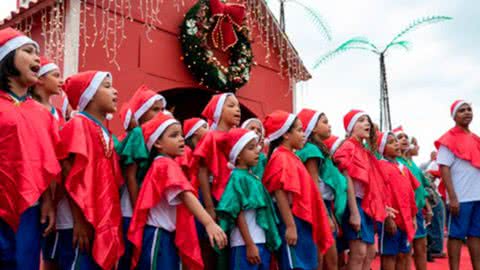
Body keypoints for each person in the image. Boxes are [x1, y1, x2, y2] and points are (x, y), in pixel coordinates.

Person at [127, 113, 227, 270]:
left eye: (181, 134)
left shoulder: (166, 163)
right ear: (158, 143)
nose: (181, 139)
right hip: (158, 236)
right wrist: (208, 223)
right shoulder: (164, 164)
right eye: (174, 136)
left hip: (166, 235)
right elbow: (185, 194)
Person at [0, 27, 60, 270]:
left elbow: (47, 160)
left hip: (29, 209)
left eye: (38, 52)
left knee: (24, 263)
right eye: (28, 51)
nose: (37, 57)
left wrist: (47, 201)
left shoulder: (41, 114)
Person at [58, 71, 124, 269]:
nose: (115, 91)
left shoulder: (104, 131)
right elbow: (69, 171)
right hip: (76, 222)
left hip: (98, 218)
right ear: (90, 94)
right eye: (106, 86)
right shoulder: (78, 124)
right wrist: (79, 220)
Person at [262, 110, 334, 270]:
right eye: (300, 130)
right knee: (296, 266)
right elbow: (280, 192)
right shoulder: (280, 157)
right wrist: (290, 226)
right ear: (286, 134)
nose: (304, 135)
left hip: (302, 220)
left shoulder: (290, 156)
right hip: (293, 220)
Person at [115, 85, 167, 270]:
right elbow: (130, 175)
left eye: (162, 109)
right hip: (131, 209)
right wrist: (139, 210)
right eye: (154, 109)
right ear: (142, 113)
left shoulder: (154, 136)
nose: (160, 113)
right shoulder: (138, 134)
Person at [216, 128, 281, 270]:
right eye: (251, 148)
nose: (258, 150)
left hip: (260, 241)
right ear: (238, 155)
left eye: (257, 146)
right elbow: (237, 211)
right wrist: (250, 244)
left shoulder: (251, 177)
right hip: (244, 244)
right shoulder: (237, 177)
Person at [333, 110, 389, 270]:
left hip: (365, 205)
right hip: (354, 204)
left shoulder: (365, 151)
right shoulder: (347, 147)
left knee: (370, 252)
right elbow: (347, 180)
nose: (367, 124)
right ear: (351, 127)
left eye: (368, 121)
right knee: (359, 253)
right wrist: (354, 212)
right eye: (361, 120)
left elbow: (372, 185)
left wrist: (382, 205)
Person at [191, 93, 241, 268]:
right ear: (219, 111)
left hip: (236, 199)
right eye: (231, 106)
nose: (237, 109)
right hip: (217, 198)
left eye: (238, 106)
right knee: (219, 246)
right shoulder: (211, 137)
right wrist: (209, 206)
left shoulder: (239, 137)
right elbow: (202, 171)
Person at [296, 109, 348, 270]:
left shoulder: (318, 149)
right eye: (324, 122)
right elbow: (314, 185)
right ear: (313, 128)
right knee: (324, 260)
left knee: (328, 259)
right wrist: (325, 215)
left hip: (323, 206)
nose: (329, 125)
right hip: (317, 208)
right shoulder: (311, 150)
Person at [435, 100, 480, 270]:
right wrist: (452, 197)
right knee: (456, 235)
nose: (467, 112)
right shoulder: (448, 140)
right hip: (461, 198)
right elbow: (444, 168)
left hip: (477, 196)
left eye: (469, 109)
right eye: (462, 110)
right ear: (454, 116)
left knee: (476, 235)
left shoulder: (476, 139)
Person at [31, 57, 66, 270]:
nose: (61, 80)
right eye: (55, 75)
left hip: (56, 187)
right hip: (38, 184)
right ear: (40, 80)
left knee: (52, 247)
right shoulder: (30, 108)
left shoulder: (60, 113)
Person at [376, 132, 419, 270]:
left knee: (403, 254)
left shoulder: (403, 168)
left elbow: (410, 193)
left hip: (405, 219)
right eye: (390, 142)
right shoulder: (380, 166)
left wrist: (413, 217)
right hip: (391, 218)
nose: (396, 144)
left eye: (396, 141)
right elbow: (379, 194)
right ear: (382, 148)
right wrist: (387, 218)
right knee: (389, 255)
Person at [394, 126, 433, 270]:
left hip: (418, 211)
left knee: (421, 247)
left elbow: (421, 188)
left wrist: (428, 208)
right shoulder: (395, 163)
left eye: (406, 137)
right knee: (405, 252)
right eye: (399, 137)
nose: (404, 139)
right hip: (404, 212)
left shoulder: (412, 163)